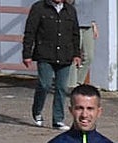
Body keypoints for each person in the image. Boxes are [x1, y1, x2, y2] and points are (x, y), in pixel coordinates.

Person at [23, 0, 82, 130]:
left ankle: (58, 119)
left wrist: (77, 54)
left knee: (62, 88)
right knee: (45, 84)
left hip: (65, 55)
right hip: (45, 54)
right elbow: (30, 31)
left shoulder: (70, 10)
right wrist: (27, 54)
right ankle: (37, 111)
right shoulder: (39, 7)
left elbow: (75, 34)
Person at [68, 0, 98, 86]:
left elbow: (90, 8)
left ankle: (79, 82)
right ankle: (71, 84)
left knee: (89, 56)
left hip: (87, 25)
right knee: (74, 55)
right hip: (74, 25)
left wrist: (94, 24)